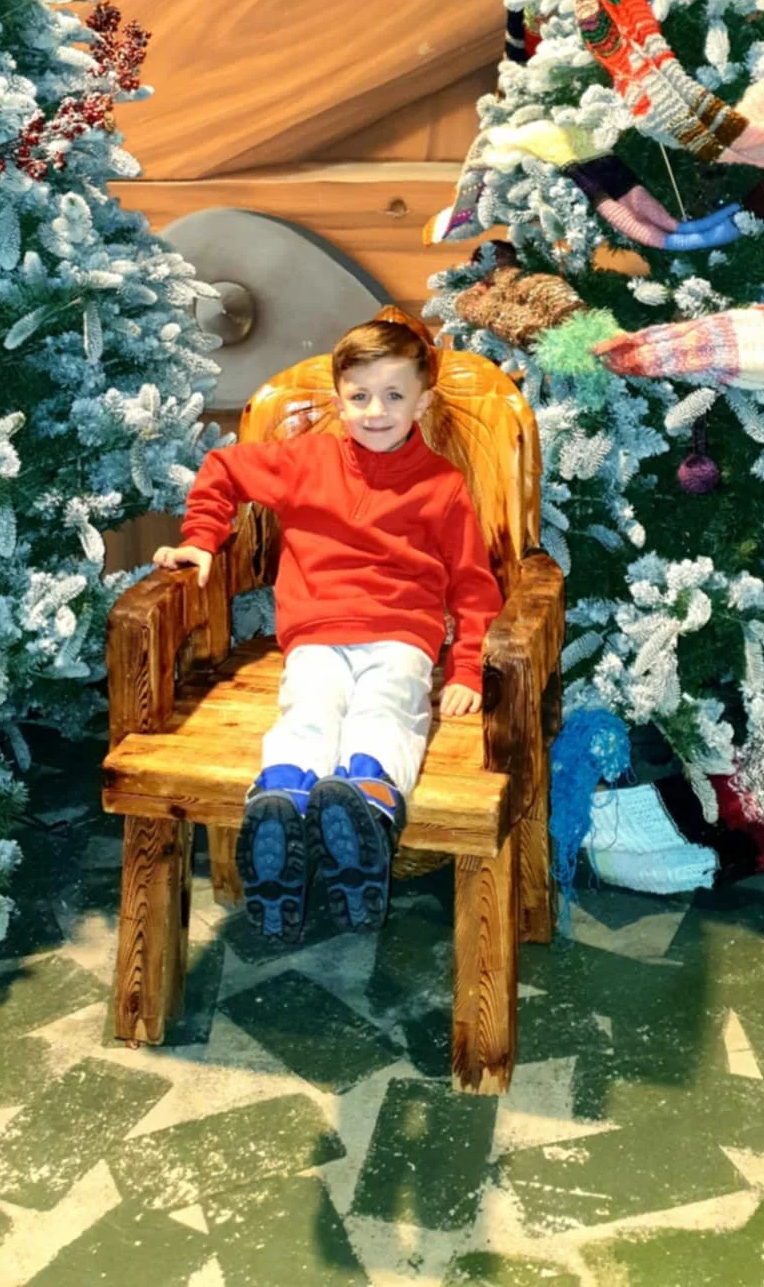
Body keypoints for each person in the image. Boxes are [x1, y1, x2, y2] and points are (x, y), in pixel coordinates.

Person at [154, 315, 503, 943]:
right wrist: (202, 538)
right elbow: (223, 470)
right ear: (339, 399)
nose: (376, 411)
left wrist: (469, 665)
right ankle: (280, 804)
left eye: (394, 396)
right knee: (308, 708)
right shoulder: (305, 460)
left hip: (400, 636)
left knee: (386, 705)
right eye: (360, 397)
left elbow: (474, 584)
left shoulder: (441, 487)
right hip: (315, 634)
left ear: (422, 401)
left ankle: (364, 806)